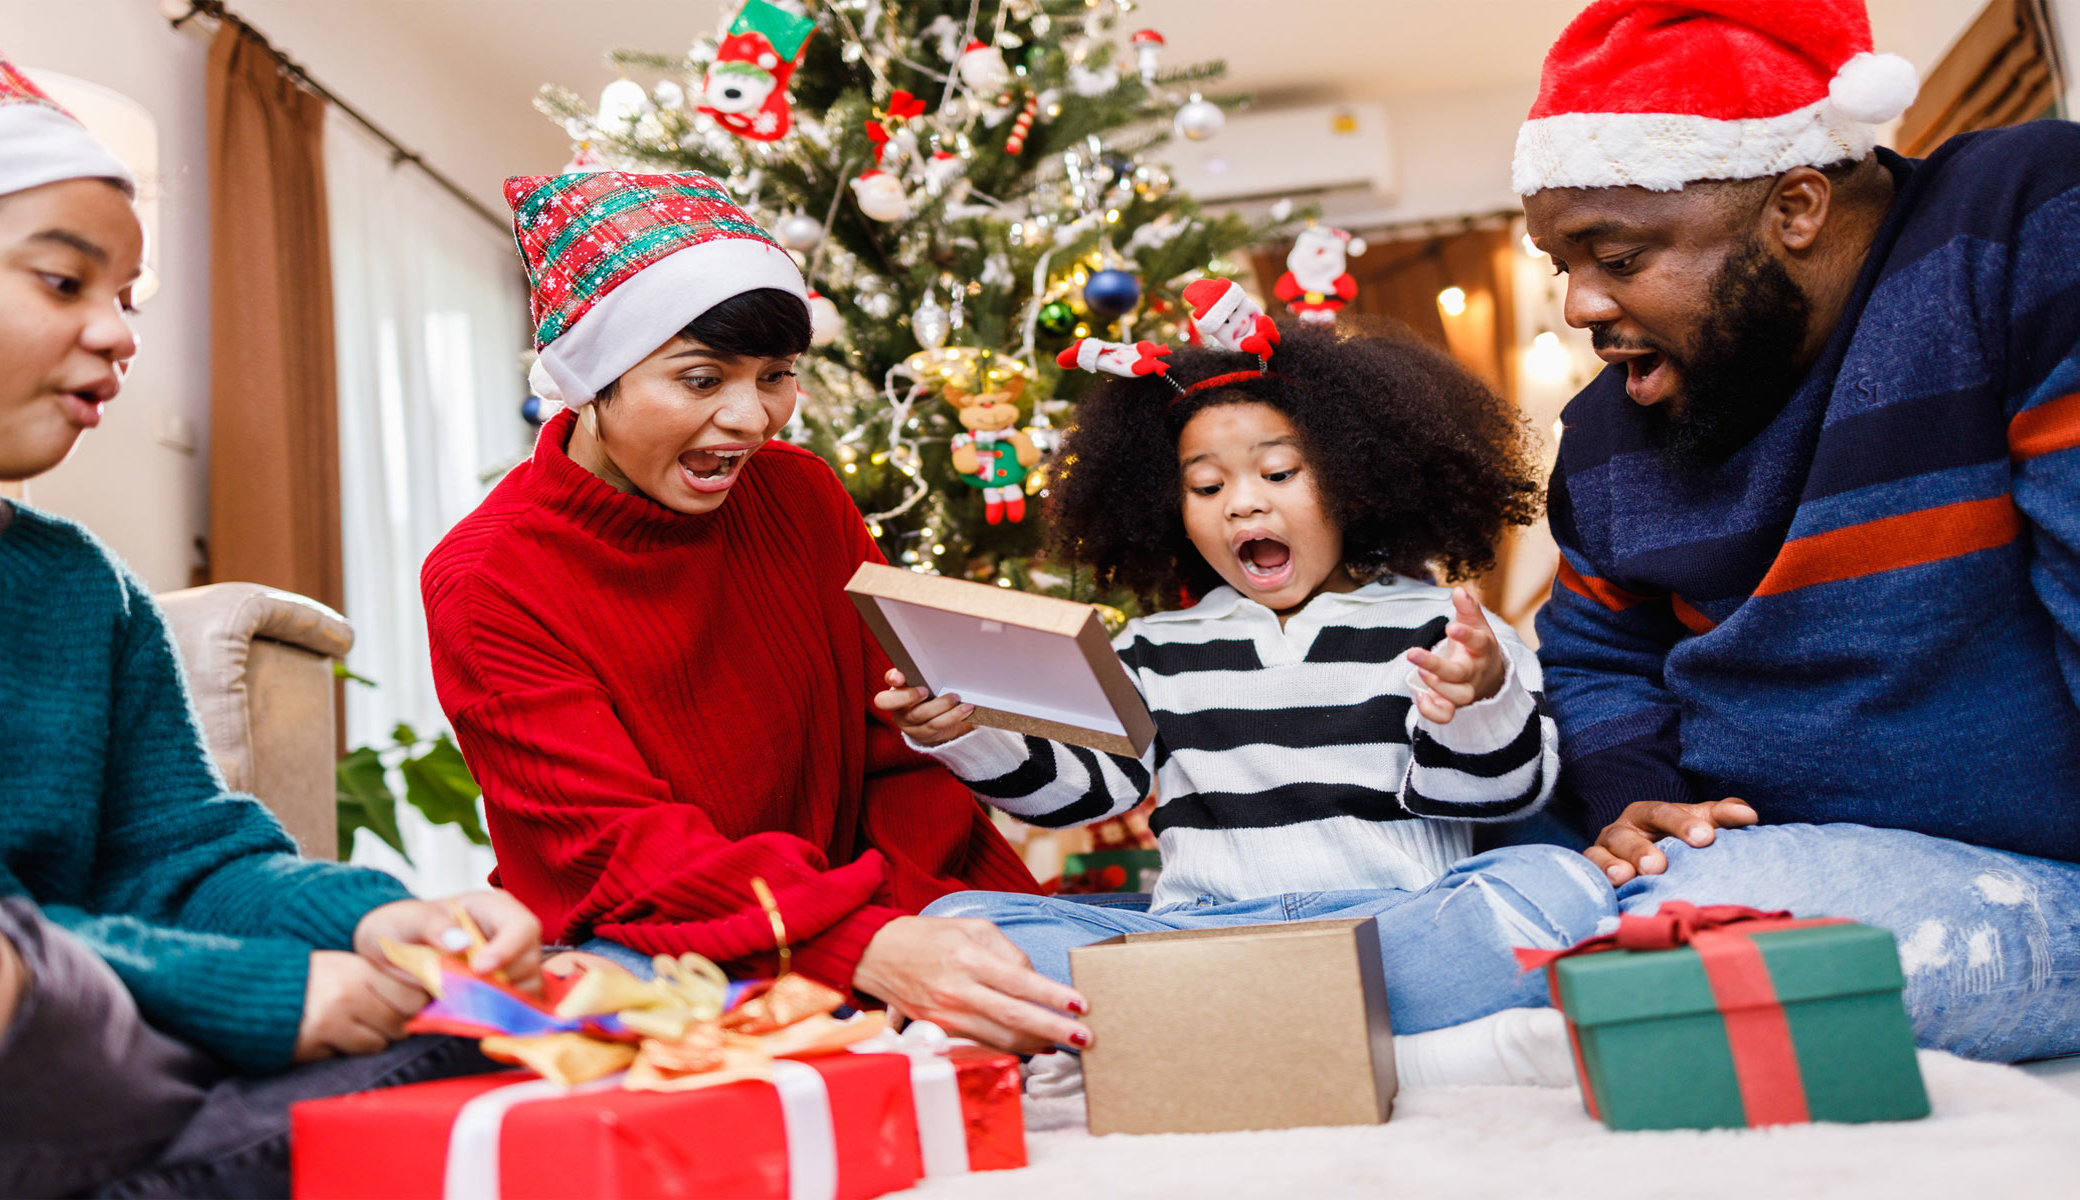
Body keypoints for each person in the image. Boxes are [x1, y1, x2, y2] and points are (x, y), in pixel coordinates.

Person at [0, 8, 541, 1196]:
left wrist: (367, 924)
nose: (117, 333)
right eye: (66, 278)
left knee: (493, 1031)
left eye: (130, 294)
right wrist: (260, 996)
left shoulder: (77, 585)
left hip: (101, 1040)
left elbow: (183, 859)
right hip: (19, 1035)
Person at [1517, 0, 2080, 1061]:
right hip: (1745, 857)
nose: (1581, 306)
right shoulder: (1604, 433)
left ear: (1798, 206)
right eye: (1563, 266)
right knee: (1503, 876)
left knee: (1670, 943)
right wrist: (1640, 797)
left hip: (2025, 876)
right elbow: (1595, 655)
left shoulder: (2019, 228)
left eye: (1619, 257)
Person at [422, 170, 1089, 1057]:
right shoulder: (487, 577)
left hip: (873, 910)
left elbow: (895, 751)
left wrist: (935, 920)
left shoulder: (800, 495)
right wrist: (865, 946)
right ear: (592, 378)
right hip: (649, 944)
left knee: (1136, 972)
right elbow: (616, 851)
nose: (749, 419)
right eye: (700, 379)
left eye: (776, 376)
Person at [885, 308, 1618, 1084]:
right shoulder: (1151, 648)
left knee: (1554, 882)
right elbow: (1082, 796)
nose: (1241, 503)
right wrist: (963, 732)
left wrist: (1477, 697)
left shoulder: (1447, 625)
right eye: (1206, 485)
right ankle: (1406, 1057)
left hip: (1392, 925)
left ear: (1355, 478)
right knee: (957, 925)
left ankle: (1192, 1046)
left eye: (1277, 474)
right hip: (1205, 939)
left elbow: (1500, 794)